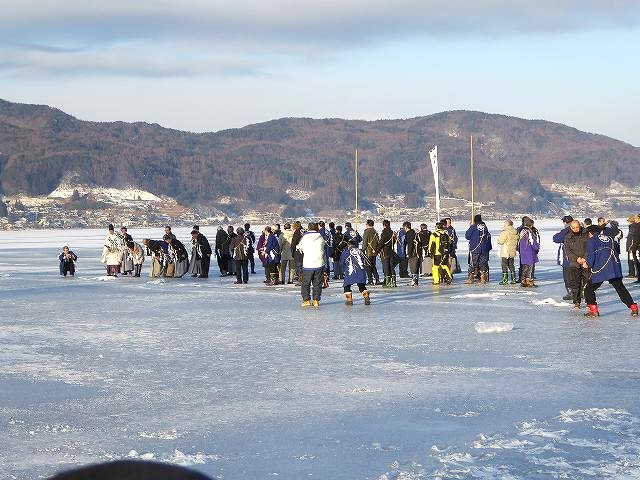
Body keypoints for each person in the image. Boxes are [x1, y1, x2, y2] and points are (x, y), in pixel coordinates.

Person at [582, 224, 638, 318]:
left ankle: (593, 310)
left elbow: (591, 255)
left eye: (588, 233)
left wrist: (587, 264)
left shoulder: (592, 240)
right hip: (614, 267)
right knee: (620, 289)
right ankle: (633, 307)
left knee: (588, 289)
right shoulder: (609, 238)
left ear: (590, 233)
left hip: (601, 268)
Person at [298, 222, 326, 307]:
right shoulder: (320, 237)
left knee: (306, 283)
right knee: (317, 283)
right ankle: (316, 300)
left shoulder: (304, 238)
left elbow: (300, 248)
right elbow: (324, 246)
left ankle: (306, 300)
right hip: (319, 264)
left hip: (308, 264)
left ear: (308, 228)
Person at [562, 220, 589, 306]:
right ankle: (576, 302)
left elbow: (590, 247)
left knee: (587, 283)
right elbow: (567, 250)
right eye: (573, 228)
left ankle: (589, 301)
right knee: (575, 283)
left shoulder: (586, 234)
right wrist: (577, 259)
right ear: (571, 227)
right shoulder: (568, 237)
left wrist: (584, 258)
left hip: (586, 262)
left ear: (580, 226)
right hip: (574, 263)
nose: (575, 229)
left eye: (577, 227)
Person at [340, 238, 371, 305]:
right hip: (361, 271)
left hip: (350, 271)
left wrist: (344, 269)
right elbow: (367, 261)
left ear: (348, 245)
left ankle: (349, 300)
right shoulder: (361, 251)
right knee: (361, 285)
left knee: (347, 286)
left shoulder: (345, 252)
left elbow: (341, 263)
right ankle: (366, 295)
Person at [465, 214, 492, 284]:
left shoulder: (473, 227)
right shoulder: (485, 227)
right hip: (484, 249)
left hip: (475, 248)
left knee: (473, 264)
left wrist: (471, 226)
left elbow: (467, 236)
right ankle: (483, 278)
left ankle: (470, 278)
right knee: (483, 263)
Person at [553, 215, 574, 300]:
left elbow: (556, 238)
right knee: (577, 275)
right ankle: (579, 291)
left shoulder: (566, 231)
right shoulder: (580, 229)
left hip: (567, 258)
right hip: (578, 257)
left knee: (567, 276)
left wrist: (565, 230)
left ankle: (571, 292)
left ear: (565, 222)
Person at [518, 217, 540, 288]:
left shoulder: (522, 231)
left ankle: (523, 281)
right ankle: (528, 282)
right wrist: (537, 248)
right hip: (529, 252)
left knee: (524, 267)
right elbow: (532, 242)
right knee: (529, 268)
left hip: (523, 252)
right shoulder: (529, 232)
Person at [497, 219, 519, 285]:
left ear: (507, 224)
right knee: (511, 265)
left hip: (505, 251)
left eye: (504, 224)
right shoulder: (516, 231)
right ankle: (513, 279)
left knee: (504, 265)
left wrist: (498, 240)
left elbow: (500, 241)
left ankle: (505, 280)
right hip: (512, 251)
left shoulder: (505, 232)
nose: (503, 225)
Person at [376, 219, 397, 288]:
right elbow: (394, 241)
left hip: (385, 252)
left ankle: (387, 282)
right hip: (391, 251)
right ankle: (393, 282)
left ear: (384, 225)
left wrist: (376, 250)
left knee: (386, 267)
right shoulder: (392, 232)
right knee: (391, 267)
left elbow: (381, 243)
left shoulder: (384, 233)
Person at [361, 219, 380, 285]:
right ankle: (377, 279)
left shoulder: (366, 231)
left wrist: (363, 250)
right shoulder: (375, 231)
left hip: (368, 251)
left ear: (368, 224)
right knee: (373, 266)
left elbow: (365, 242)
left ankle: (370, 280)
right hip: (374, 251)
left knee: (368, 266)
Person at [403, 222, 421, 286]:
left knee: (413, 268)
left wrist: (409, 253)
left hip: (413, 253)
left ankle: (414, 281)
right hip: (418, 253)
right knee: (416, 268)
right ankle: (415, 281)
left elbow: (410, 244)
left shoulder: (409, 234)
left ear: (405, 227)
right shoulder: (414, 233)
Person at [291, 221, 304, 285]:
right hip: (305, 251)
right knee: (303, 265)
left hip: (298, 251)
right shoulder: (303, 231)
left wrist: (292, 252)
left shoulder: (297, 232)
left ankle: (301, 280)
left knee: (299, 266)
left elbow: (294, 242)